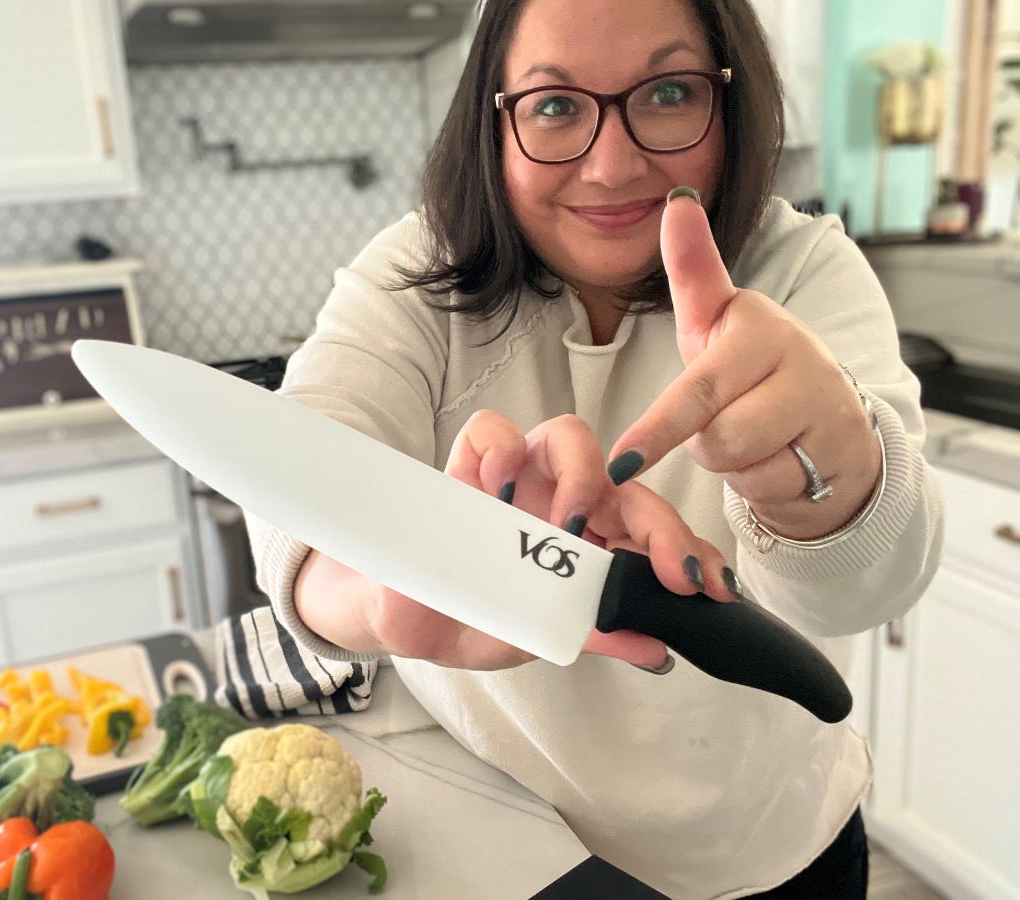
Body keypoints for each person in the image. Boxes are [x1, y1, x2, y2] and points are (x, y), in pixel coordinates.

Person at [245, 0, 944, 896]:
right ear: (491, 118)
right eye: (554, 105)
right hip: (510, 841)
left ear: (731, 98)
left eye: (667, 91)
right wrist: (385, 597)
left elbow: (871, 589)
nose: (612, 166)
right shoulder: (416, 275)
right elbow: (294, 480)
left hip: (769, 849)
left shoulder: (802, 273)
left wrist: (821, 483)